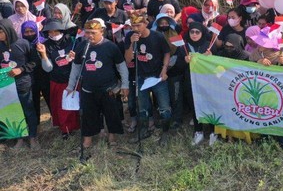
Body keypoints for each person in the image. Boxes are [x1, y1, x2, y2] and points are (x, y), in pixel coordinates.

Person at [65, 19, 129, 151]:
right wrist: (70, 86)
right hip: (88, 88)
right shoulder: (82, 46)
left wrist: (125, 85)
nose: (89, 36)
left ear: (101, 31)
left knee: (111, 114)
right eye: (87, 32)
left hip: (109, 88)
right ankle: (87, 140)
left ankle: (112, 137)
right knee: (88, 115)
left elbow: (121, 66)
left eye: (93, 32)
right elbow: (76, 68)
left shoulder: (111, 46)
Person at [124, 14, 172, 145]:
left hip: (157, 77)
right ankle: (144, 131)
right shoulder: (130, 36)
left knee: (164, 108)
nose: (136, 28)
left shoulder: (157, 36)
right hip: (141, 77)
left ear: (145, 24)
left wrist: (164, 69)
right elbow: (128, 59)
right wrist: (133, 43)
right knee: (142, 107)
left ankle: (165, 133)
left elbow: (167, 52)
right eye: (133, 25)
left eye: (138, 25)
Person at [37, 19, 80, 138]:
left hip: (72, 79)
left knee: (74, 105)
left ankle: (76, 126)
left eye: (56, 31)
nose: (53, 35)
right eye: (50, 32)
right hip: (57, 80)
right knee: (62, 107)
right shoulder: (45, 45)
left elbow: (80, 61)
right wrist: (44, 55)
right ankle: (65, 129)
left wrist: (75, 58)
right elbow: (48, 68)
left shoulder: (72, 41)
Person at [0, 19, 38, 149]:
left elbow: (34, 62)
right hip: (6, 86)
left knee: (28, 111)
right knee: (13, 112)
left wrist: (20, 69)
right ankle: (20, 138)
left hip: (23, 84)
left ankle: (33, 137)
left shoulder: (23, 44)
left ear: (8, 31)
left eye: (1, 32)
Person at [176, 22, 215, 146]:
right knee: (195, 105)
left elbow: (219, 66)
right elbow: (177, 67)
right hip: (190, 82)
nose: (194, 34)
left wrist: (212, 57)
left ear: (202, 33)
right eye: (192, 32)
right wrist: (184, 61)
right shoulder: (183, 47)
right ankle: (198, 131)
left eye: (197, 32)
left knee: (210, 104)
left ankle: (214, 132)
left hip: (207, 81)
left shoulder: (209, 46)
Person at [21, 21, 49, 126]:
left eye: (31, 31)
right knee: (35, 104)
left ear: (36, 31)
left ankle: (57, 124)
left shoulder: (44, 42)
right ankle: (36, 127)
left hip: (45, 77)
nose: (29, 34)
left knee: (50, 102)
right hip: (31, 79)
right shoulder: (22, 45)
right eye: (26, 32)